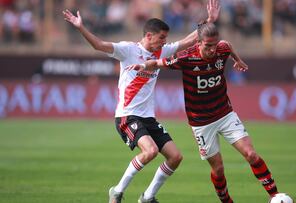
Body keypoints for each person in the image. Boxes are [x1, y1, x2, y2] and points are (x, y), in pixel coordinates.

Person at [63, 1, 220, 203]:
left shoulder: (160, 52)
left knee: (175, 157)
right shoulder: (127, 50)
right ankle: (117, 192)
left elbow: (188, 41)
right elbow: (98, 45)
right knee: (151, 151)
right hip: (127, 116)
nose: (164, 42)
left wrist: (209, 21)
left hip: (148, 118)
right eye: (161, 38)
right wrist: (81, 27)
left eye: (165, 38)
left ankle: (148, 197)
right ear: (148, 36)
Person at [127, 22, 279, 203]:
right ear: (198, 43)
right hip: (201, 123)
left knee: (251, 154)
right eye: (208, 46)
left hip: (225, 114)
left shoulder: (221, 49)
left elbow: (227, 46)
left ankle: (275, 196)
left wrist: (237, 60)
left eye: (215, 45)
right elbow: (158, 63)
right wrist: (143, 66)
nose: (212, 50)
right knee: (219, 169)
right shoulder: (185, 58)